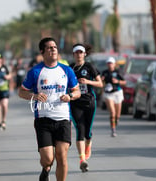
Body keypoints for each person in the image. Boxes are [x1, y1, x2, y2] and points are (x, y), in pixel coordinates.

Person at [18, 37, 81, 181]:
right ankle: (46, 169)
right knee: (48, 159)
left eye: (55, 47)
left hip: (63, 118)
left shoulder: (66, 70)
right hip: (43, 119)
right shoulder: (36, 71)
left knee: (61, 156)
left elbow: (77, 91)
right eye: (49, 48)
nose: (53, 50)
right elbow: (21, 92)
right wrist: (34, 96)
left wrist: (70, 96)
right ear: (42, 52)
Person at [69, 43, 103, 172]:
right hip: (75, 102)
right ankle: (82, 160)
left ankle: (89, 143)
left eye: (80, 52)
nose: (78, 55)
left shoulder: (89, 67)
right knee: (80, 129)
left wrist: (87, 81)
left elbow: (100, 83)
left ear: (84, 54)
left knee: (87, 132)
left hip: (89, 102)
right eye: (76, 52)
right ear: (73, 55)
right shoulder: (70, 68)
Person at [101, 56, 126, 137]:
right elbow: (101, 83)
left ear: (114, 64)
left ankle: (117, 119)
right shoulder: (104, 72)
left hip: (117, 93)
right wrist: (102, 80)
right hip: (108, 94)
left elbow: (124, 82)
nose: (110, 65)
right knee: (112, 112)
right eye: (108, 63)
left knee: (117, 115)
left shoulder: (118, 72)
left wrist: (117, 81)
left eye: (111, 63)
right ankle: (113, 129)